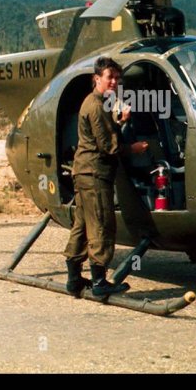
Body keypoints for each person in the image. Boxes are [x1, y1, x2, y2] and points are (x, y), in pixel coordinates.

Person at [64, 56, 149, 296]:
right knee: (101, 223)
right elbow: (108, 146)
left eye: (117, 77)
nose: (114, 82)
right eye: (109, 77)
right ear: (97, 78)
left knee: (82, 224)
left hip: (84, 172)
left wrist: (120, 121)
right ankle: (100, 283)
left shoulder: (97, 103)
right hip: (95, 173)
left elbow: (104, 134)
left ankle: (73, 278)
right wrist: (134, 148)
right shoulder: (96, 105)